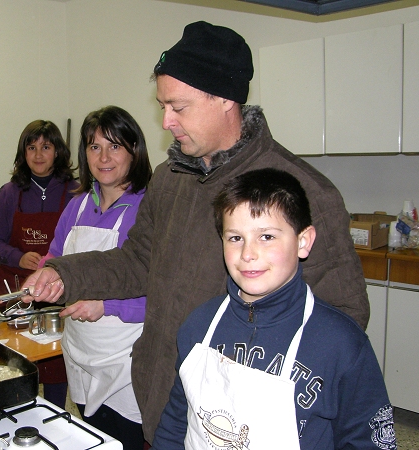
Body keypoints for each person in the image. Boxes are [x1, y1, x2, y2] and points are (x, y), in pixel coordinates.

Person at [22, 21, 369, 443]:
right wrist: (65, 274)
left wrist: (257, 384)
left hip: (243, 419)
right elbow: (137, 261)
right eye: (162, 105)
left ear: (225, 99)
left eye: (178, 107)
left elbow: (344, 315)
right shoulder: (170, 180)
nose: (165, 120)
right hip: (162, 395)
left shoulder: (301, 190)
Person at [152, 169, 395, 449]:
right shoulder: (199, 325)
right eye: (235, 238)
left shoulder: (342, 344)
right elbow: (176, 422)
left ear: (303, 242)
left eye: (266, 236)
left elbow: (368, 442)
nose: (248, 254)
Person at [40, 106, 151, 450]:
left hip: (124, 363)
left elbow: (159, 291)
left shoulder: (146, 210)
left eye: (114, 146)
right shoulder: (77, 205)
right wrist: (43, 278)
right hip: (80, 353)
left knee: (124, 442)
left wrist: (106, 305)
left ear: (134, 151)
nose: (103, 157)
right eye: (94, 147)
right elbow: (55, 257)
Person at [0, 119, 78, 409]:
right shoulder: (10, 193)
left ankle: (57, 413)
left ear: (58, 152)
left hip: (57, 293)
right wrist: (17, 256)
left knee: (56, 362)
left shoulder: (76, 191)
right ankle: (19, 415)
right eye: (31, 147)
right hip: (15, 292)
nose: (38, 154)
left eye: (46, 147)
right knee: (14, 363)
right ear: (23, 153)